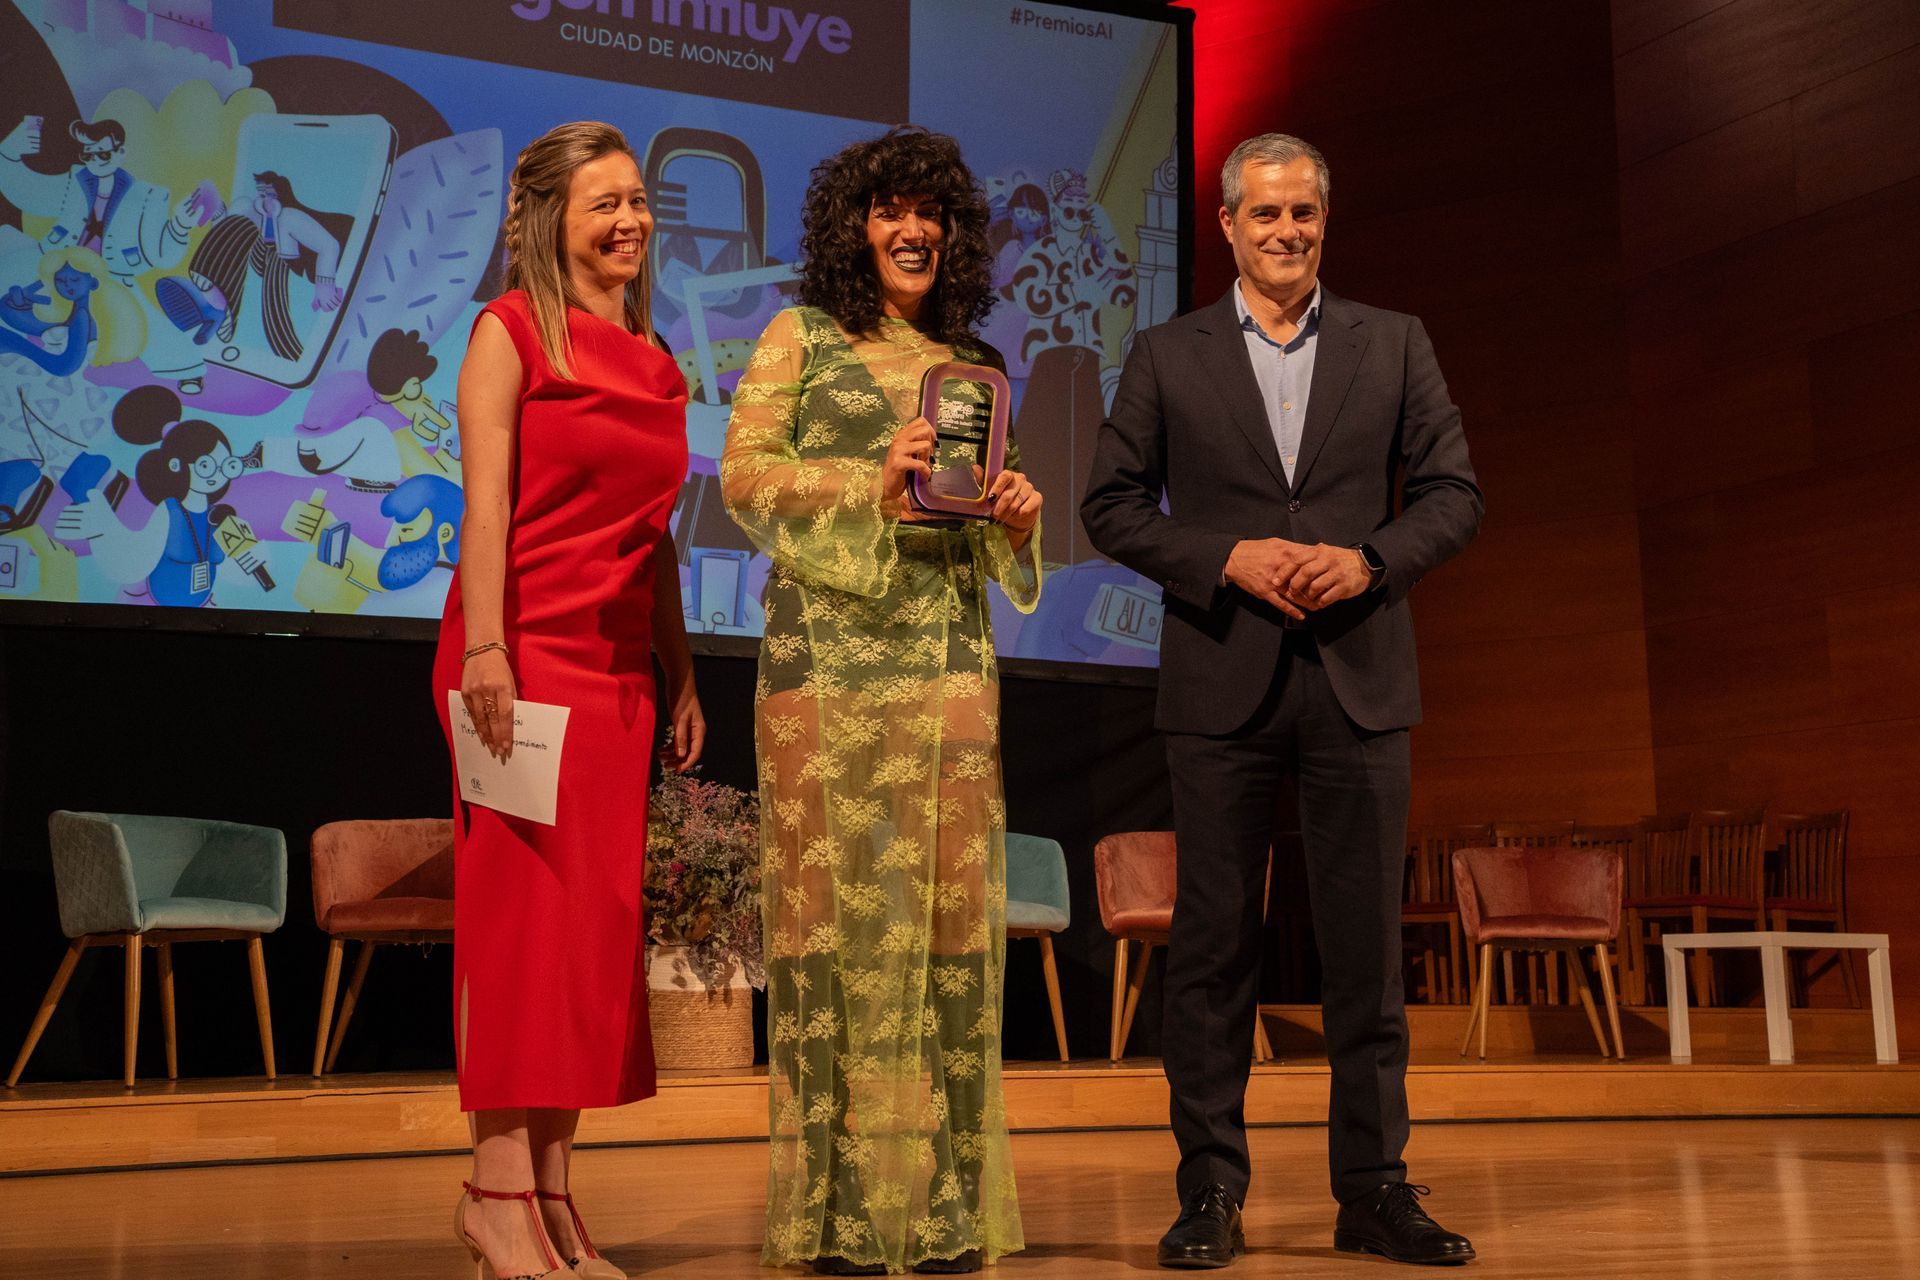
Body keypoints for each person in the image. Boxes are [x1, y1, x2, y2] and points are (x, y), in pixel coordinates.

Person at [1082, 132, 1483, 1268]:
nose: (1287, 231)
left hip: (1361, 678)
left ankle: (1374, 1190)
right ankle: (1210, 1189)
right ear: (1226, 225)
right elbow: (1111, 504)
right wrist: (1223, 557)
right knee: (1213, 950)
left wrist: (1369, 561)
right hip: (1222, 679)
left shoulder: (1393, 342)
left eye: (1304, 212)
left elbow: (1454, 494)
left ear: (1324, 220)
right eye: (1265, 213)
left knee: (1366, 954)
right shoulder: (1167, 353)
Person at [721, 125, 1043, 1276]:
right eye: (887, 210)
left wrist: (1016, 519)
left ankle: (945, 1205)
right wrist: (873, 476)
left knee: (953, 922)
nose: (912, 230)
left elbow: (989, 535)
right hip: (822, 665)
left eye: (929, 212)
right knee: (827, 925)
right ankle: (837, 1210)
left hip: (947, 654)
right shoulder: (799, 337)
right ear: (851, 227)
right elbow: (744, 476)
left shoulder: (973, 364)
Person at [431, 120, 704, 1280]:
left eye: (638, 199)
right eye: (605, 202)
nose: (630, 219)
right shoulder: (508, 332)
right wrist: (488, 647)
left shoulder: (656, 358)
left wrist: (679, 665)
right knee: (522, 931)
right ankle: (495, 1192)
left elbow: (655, 538)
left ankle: (549, 1193)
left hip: (616, 672)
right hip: (520, 657)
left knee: (586, 942)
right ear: (550, 218)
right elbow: (486, 506)